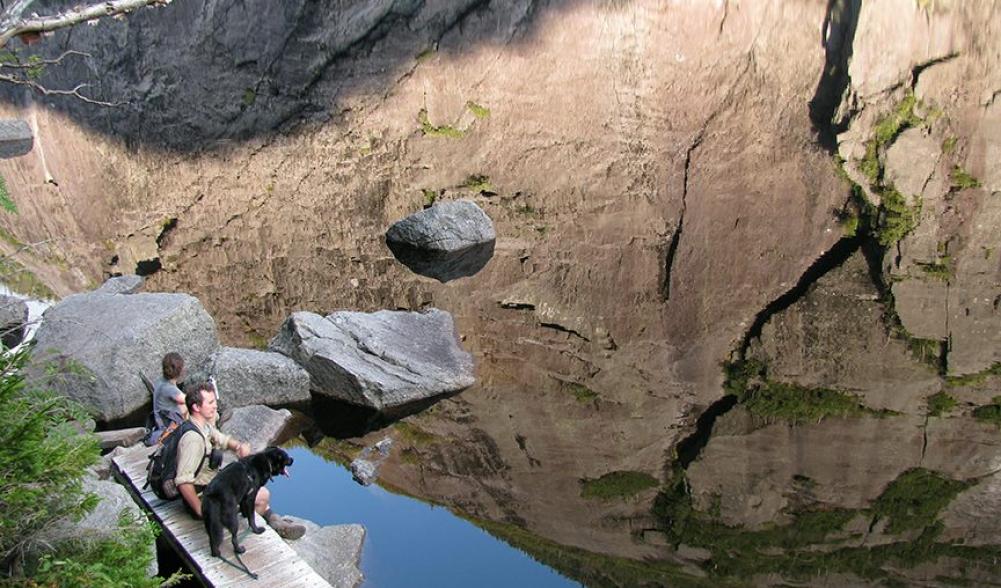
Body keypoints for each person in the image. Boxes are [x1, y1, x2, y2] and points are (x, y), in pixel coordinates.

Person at [174, 381, 305, 540]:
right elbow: (183, 481)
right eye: (210, 402)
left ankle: (274, 520)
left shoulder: (201, 425)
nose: (215, 406)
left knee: (247, 483)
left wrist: (237, 446)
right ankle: (268, 523)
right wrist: (201, 510)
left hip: (209, 484)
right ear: (196, 407)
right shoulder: (193, 440)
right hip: (205, 497)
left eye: (214, 401)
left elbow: (220, 438)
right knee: (262, 494)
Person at [153, 352, 188, 429]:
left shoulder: (160, 382)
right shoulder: (170, 389)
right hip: (167, 427)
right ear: (180, 371)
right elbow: (189, 400)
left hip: (160, 421)